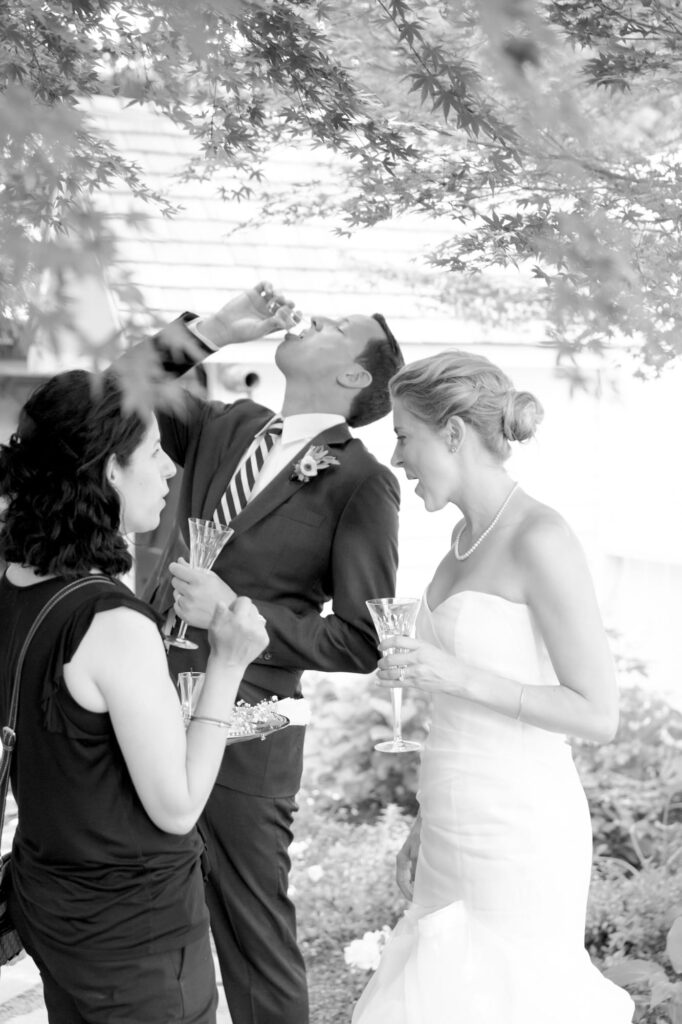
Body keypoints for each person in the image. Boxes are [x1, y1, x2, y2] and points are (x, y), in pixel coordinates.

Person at [125, 283, 404, 1024]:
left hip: (249, 732)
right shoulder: (229, 425)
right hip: (141, 698)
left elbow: (363, 637)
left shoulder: (362, 482)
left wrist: (235, 618)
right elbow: (126, 386)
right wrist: (216, 328)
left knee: (253, 942)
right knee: (139, 922)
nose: (319, 315)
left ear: (353, 376)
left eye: (340, 326)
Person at [352, 351, 634, 1024]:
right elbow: (460, 709)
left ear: (452, 434)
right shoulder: (458, 540)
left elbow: (599, 714)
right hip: (453, 826)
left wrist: (458, 674)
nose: (395, 456)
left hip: (518, 834)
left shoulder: (542, 535)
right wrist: (426, 819)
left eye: (403, 435)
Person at [0, 369, 269, 1024]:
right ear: (110, 471)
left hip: (53, 905)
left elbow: (65, 735)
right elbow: (176, 807)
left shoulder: (11, 583)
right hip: (133, 935)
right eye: (153, 452)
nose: (171, 468)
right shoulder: (112, 623)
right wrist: (228, 662)